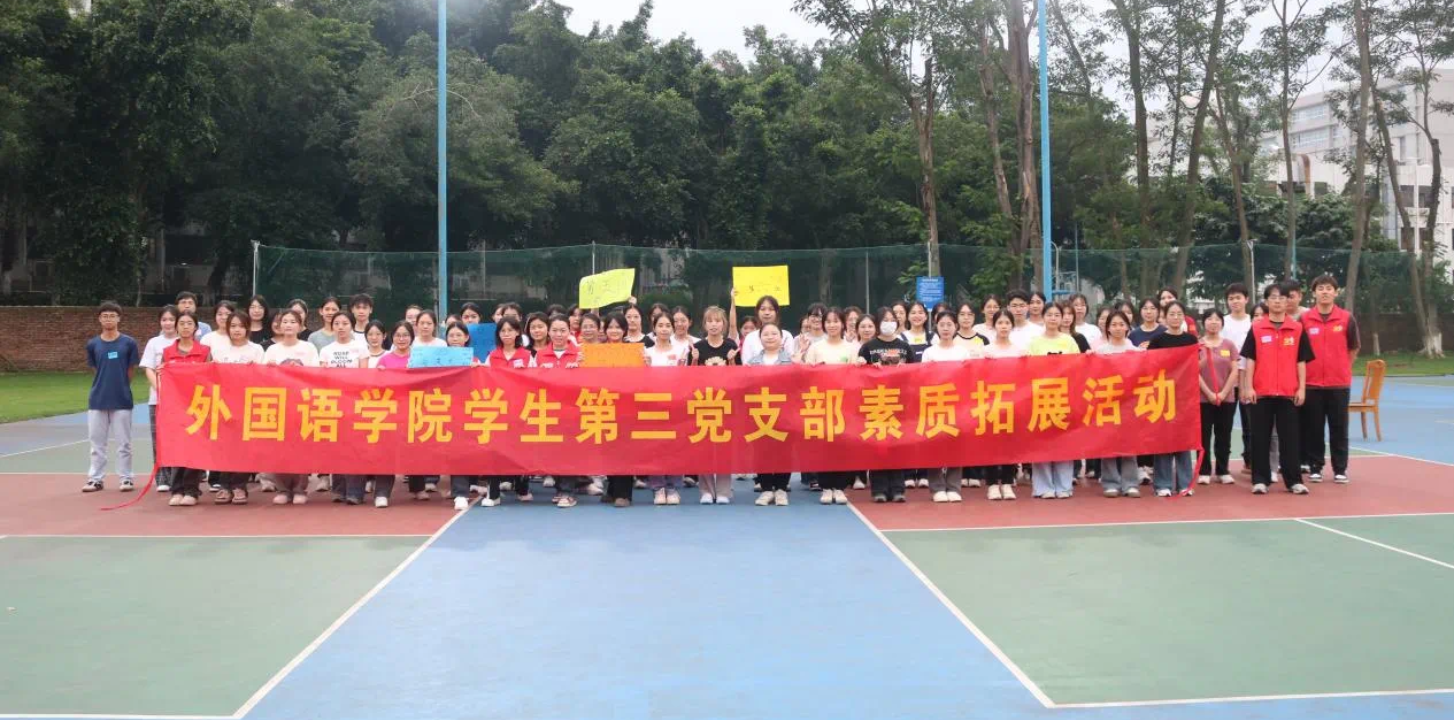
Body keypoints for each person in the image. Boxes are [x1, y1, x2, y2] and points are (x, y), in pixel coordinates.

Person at [1242, 282, 1313, 496]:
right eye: (1273, 297)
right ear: (1266, 301)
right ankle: (1260, 480)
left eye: (1282, 297)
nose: (1278, 301)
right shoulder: (1257, 328)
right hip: (1261, 393)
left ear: (1288, 301)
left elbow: (1301, 361)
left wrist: (1301, 388)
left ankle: (1294, 481)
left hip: (1288, 393)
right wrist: (1249, 387)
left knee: (1290, 438)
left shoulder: (1297, 328)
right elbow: (1250, 359)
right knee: (1260, 438)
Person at [1300, 274, 1359, 483]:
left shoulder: (1346, 318)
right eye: (1320, 288)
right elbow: (1299, 350)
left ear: (1336, 292)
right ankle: (1315, 466)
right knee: (1314, 428)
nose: (1324, 292)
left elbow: (1353, 347)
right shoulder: (1305, 319)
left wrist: (1342, 367)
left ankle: (1340, 469)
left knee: (1339, 428)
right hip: (1311, 383)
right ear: (1314, 293)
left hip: (1339, 384)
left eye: (1328, 288)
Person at [857, 308, 915, 503]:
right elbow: (859, 376)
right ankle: (879, 489)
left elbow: (916, 373)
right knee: (878, 446)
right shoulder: (868, 347)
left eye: (892, 319)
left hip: (899, 403)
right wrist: (864, 365)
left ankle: (898, 489)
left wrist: (905, 369)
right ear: (878, 323)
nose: (889, 323)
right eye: (885, 319)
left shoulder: (904, 347)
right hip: (876, 402)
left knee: (897, 446)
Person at [83, 301, 140, 494]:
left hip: (122, 399)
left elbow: (130, 370)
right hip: (97, 400)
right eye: (105, 316)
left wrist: (120, 386)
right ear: (99, 319)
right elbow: (96, 369)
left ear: (119, 318)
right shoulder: (93, 344)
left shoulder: (128, 343)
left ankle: (126, 478)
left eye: (112, 316)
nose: (108, 319)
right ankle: (95, 479)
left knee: (124, 443)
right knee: (97, 444)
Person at [1027, 302, 1081, 499]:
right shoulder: (1034, 343)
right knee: (1042, 443)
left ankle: (1064, 486)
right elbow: (1027, 369)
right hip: (1041, 397)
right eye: (1049, 314)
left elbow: (1079, 367)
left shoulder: (1069, 341)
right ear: (1043, 317)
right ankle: (1043, 487)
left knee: (1064, 442)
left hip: (1064, 397)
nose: (1053, 318)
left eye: (1056, 315)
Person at [1147, 301, 1199, 497]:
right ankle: (1163, 484)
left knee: (1183, 439)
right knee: (1164, 439)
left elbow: (1195, 365)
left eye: (1179, 314)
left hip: (1185, 396)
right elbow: (1149, 366)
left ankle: (1185, 483)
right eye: (1172, 314)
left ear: (1183, 316)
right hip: (1162, 394)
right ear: (1165, 317)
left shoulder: (1191, 340)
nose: (1175, 317)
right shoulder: (1158, 340)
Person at [160, 311, 212, 506]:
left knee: (195, 449)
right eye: (181, 323)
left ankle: (191, 490)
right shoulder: (167, 352)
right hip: (175, 407)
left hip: (197, 406)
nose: (185, 327)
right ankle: (177, 489)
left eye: (189, 323)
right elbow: (163, 376)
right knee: (177, 447)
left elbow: (211, 377)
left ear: (196, 328)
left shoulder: (204, 351)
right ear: (176, 327)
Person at [921, 311, 973, 503]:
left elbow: (968, 377)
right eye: (942, 325)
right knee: (934, 445)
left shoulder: (962, 352)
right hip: (935, 403)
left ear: (955, 327)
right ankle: (936, 487)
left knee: (955, 445)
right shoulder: (929, 352)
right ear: (936, 327)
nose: (945, 328)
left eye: (949, 325)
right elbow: (922, 378)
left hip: (957, 404)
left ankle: (953, 486)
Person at [1095, 311, 1143, 498]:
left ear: (1127, 327)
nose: (1117, 328)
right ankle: (1110, 483)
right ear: (1107, 328)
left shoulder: (1136, 352)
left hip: (1130, 405)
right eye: (1113, 325)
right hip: (1107, 404)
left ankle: (1130, 483)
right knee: (1108, 443)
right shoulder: (1100, 352)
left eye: (1121, 324)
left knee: (1129, 444)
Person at [1197, 309, 1240, 485]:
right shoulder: (1197, 345)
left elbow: (1234, 371)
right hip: (1203, 398)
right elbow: (1194, 371)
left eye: (1217, 319)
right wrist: (1209, 393)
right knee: (1203, 436)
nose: (1213, 322)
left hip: (1226, 398)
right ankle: (1204, 470)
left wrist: (1223, 393)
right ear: (1203, 322)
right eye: (1209, 319)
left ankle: (1223, 470)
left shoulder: (1229, 345)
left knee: (1224, 435)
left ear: (1222, 323)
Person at [139, 306, 179, 493]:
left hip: (181, 400)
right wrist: (160, 389)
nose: (168, 323)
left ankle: (177, 477)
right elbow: (148, 368)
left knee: (178, 439)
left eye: (171, 319)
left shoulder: (184, 342)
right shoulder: (154, 342)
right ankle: (162, 477)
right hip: (158, 399)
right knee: (159, 439)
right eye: (164, 320)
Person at [1222, 283, 1254, 471]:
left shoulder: (1253, 322)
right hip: (1226, 381)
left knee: (1249, 423)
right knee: (1224, 425)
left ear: (1246, 299)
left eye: (1238, 298)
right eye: (1231, 298)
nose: (1235, 301)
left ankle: (1250, 460)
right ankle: (1223, 465)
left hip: (1249, 380)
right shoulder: (1222, 322)